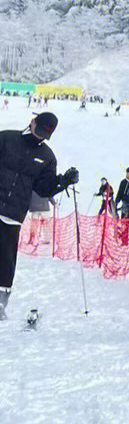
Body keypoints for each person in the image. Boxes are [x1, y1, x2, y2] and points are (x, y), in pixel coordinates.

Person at [0, 112, 77, 319]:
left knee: (6, 259)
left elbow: (44, 188)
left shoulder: (47, 157)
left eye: (45, 134)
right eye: (39, 130)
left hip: (13, 214)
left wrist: (63, 182)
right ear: (32, 122)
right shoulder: (6, 139)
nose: (40, 136)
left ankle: (0, 303)